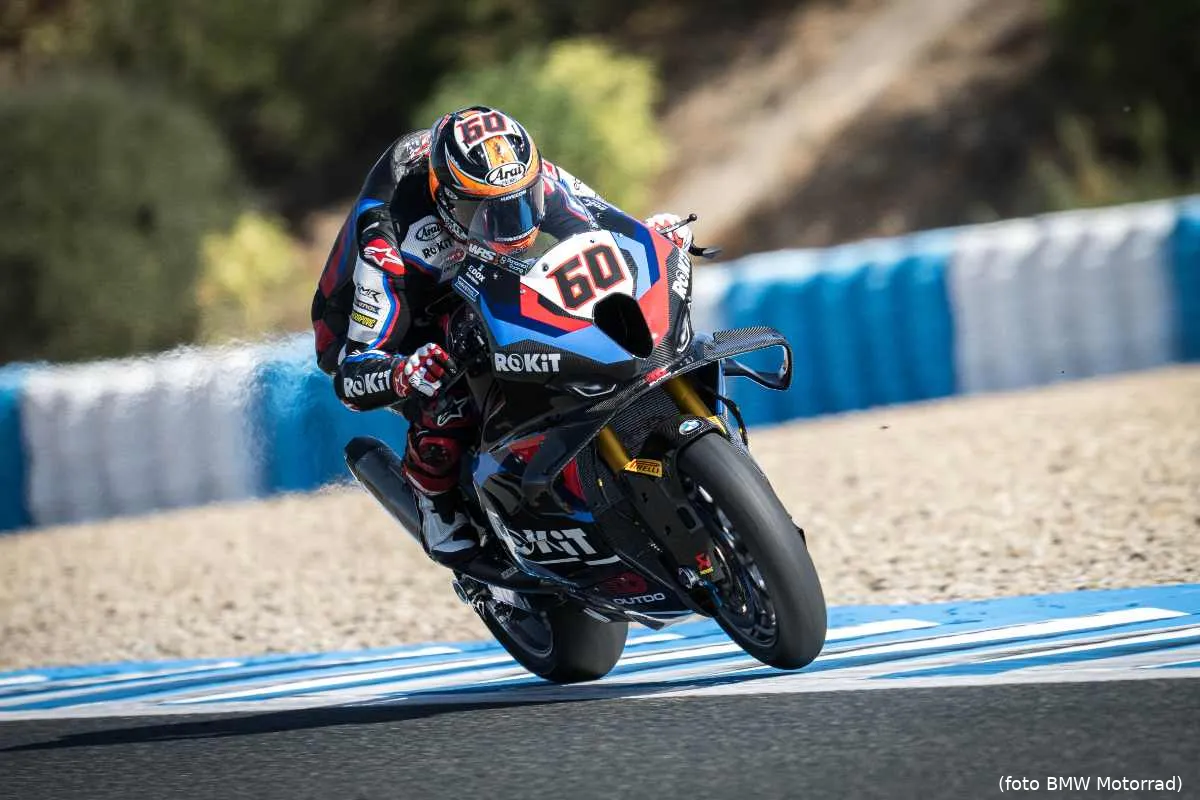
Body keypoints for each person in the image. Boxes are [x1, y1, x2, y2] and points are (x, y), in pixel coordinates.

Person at [311, 106, 693, 565]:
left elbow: (602, 227)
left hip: (476, 277)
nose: (510, 225)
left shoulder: (526, 177)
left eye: (520, 204)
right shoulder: (389, 241)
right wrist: (401, 373)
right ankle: (436, 501)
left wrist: (653, 238)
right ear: (445, 198)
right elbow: (352, 375)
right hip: (388, 320)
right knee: (449, 390)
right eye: (483, 212)